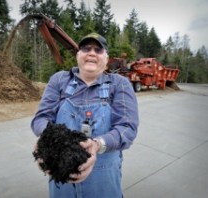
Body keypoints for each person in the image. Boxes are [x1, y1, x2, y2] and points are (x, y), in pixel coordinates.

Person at [31, 32, 139, 198]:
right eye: (86, 48)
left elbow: (127, 128)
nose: (92, 53)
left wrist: (97, 144)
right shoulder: (59, 80)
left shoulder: (119, 84)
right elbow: (41, 118)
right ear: (78, 55)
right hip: (62, 173)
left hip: (104, 182)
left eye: (98, 49)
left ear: (106, 58)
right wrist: (47, 139)